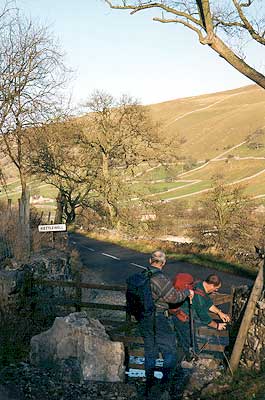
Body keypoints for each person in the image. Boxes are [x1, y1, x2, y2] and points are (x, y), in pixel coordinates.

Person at [139, 250, 194, 399]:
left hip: (143, 319)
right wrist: (187, 292)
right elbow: (173, 297)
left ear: (150, 260)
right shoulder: (160, 278)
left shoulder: (141, 276)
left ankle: (149, 385)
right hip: (158, 318)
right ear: (163, 263)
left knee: (150, 351)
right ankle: (164, 384)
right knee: (170, 352)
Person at [171, 273, 231, 364]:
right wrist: (217, 325)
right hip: (182, 318)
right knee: (189, 343)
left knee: (189, 342)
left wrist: (219, 313)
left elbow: (208, 303)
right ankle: (188, 366)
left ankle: (188, 361)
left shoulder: (199, 285)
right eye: (216, 288)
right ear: (211, 285)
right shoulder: (198, 296)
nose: (216, 290)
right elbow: (204, 317)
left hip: (185, 317)